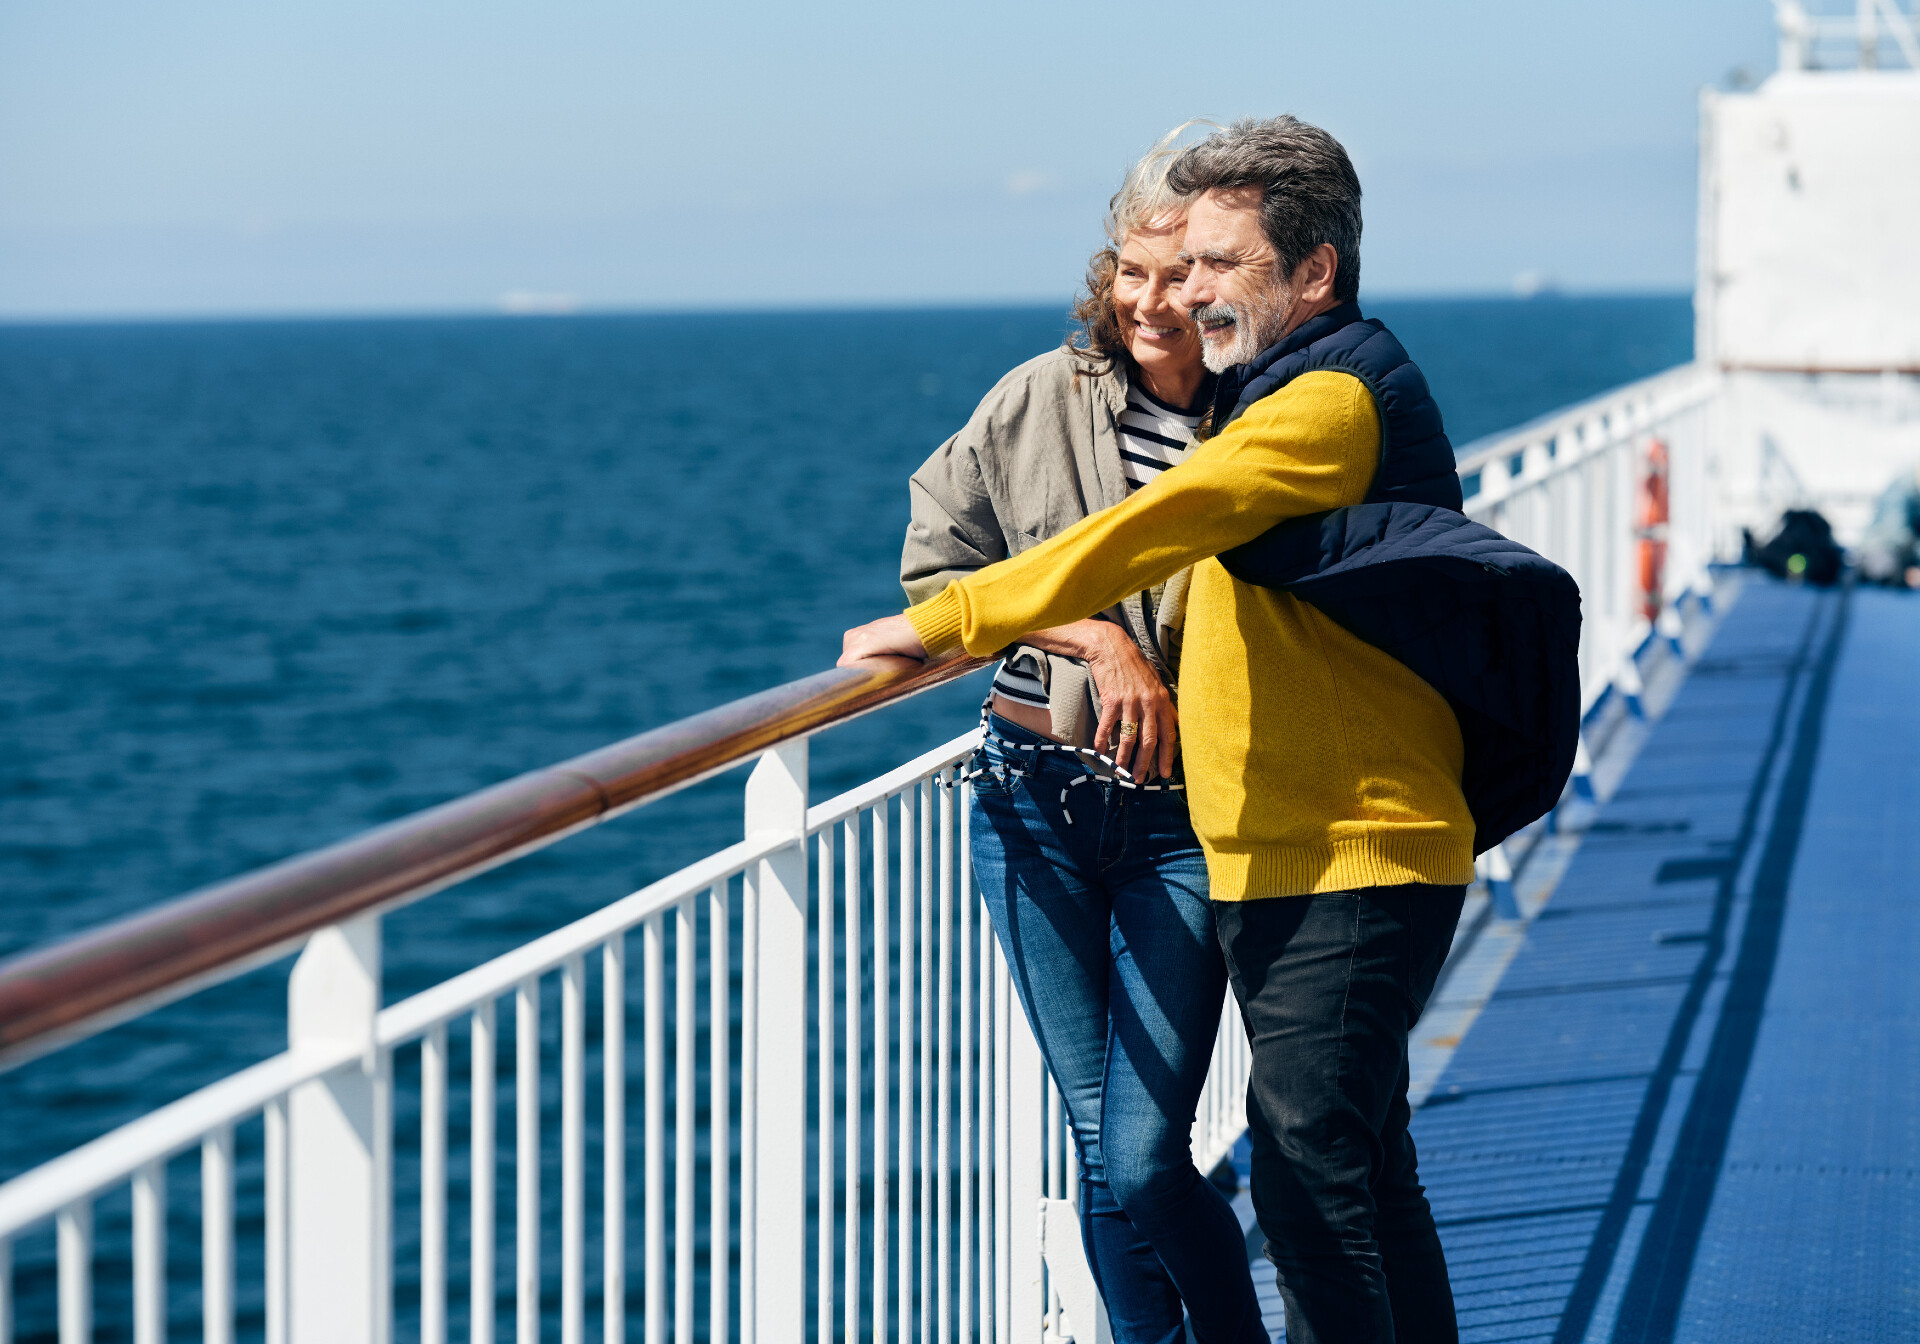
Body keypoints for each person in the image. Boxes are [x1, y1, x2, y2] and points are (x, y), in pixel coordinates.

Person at [843, 115, 1472, 1344]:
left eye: (1212, 266)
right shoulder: (1221, 390)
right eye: (1162, 269)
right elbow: (964, 532)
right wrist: (1078, 636)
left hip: (1320, 838)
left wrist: (962, 617)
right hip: (1192, 819)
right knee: (1327, 1166)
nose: (1180, 293)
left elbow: (1159, 524)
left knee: (1303, 1178)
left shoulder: (1309, 402)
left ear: (1312, 272)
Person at [896, 128, 1267, 1344]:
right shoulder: (1036, 399)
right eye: (1132, 271)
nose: (1154, 300)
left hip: (1184, 822)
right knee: (1099, 1137)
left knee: (1146, 1154)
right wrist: (1098, 643)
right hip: (1033, 807)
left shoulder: (1263, 413)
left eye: (1182, 274)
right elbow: (938, 563)